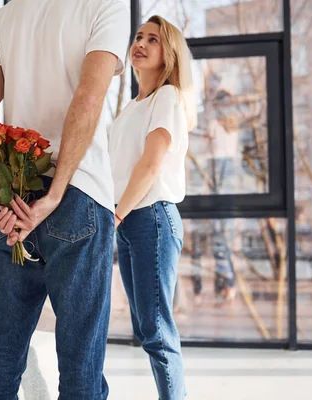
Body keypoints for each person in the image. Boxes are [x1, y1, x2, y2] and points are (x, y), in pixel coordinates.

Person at [0, 0, 129, 398]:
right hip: (76, 194)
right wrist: (56, 193)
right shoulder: (105, 7)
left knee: (1, 358)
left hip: (14, 197)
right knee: (80, 365)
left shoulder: (3, 18)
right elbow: (89, 98)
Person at [108, 15, 196, 400]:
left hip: (151, 218)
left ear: (169, 54)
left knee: (157, 331)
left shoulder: (168, 97)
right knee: (148, 329)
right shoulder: (130, 109)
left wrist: (116, 214)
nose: (140, 43)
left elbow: (151, 164)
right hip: (131, 220)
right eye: (139, 37)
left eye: (153, 40)